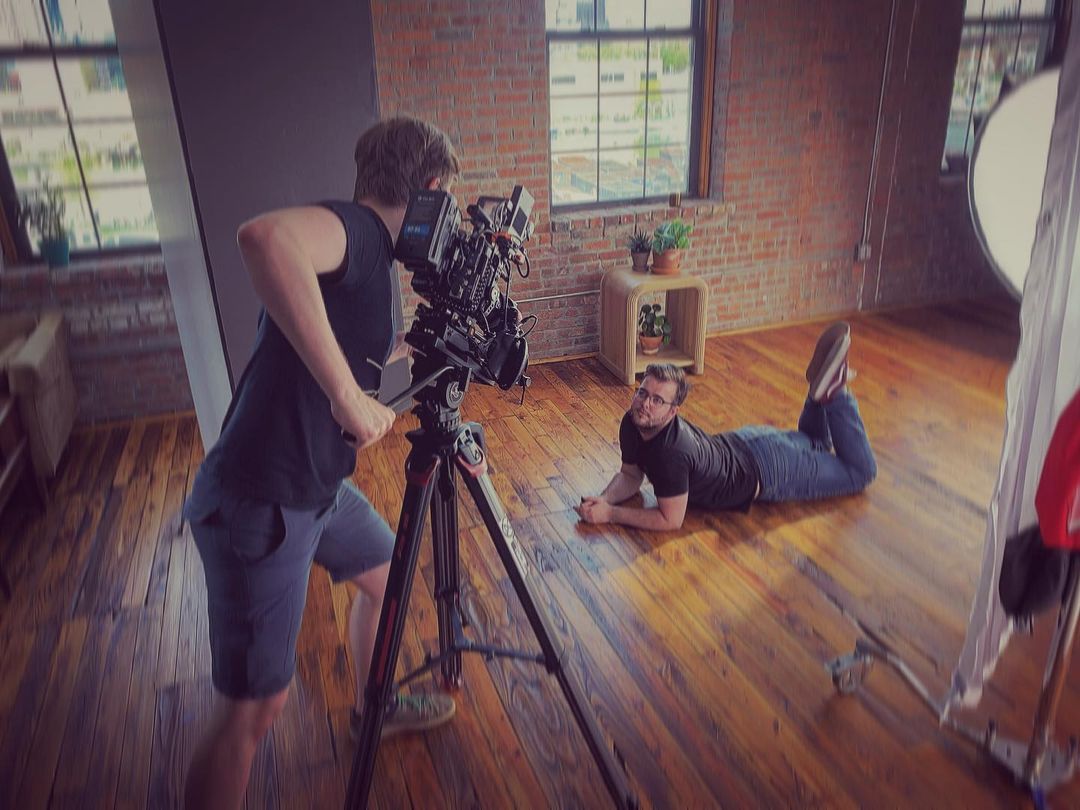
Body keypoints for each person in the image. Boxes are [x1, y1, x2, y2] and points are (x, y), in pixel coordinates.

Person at [182, 117, 460, 810]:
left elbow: (352, 357)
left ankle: (376, 708)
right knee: (255, 709)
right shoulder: (359, 232)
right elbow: (265, 237)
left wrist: (410, 356)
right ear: (430, 189)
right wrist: (345, 395)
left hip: (318, 489)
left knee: (387, 576)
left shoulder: (372, 258)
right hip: (260, 502)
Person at [576, 322, 877, 531]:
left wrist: (611, 514)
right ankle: (818, 397)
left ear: (673, 412)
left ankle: (835, 394)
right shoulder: (633, 421)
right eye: (643, 393)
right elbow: (631, 474)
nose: (645, 404)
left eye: (658, 400)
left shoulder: (671, 454)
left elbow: (670, 520)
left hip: (770, 471)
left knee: (861, 473)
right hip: (750, 441)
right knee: (816, 443)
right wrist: (604, 499)